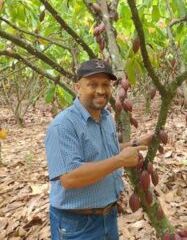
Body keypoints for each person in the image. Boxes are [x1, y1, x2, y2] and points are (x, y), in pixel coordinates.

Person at [44, 58, 152, 240]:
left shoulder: (106, 117)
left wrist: (135, 143)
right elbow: (70, 177)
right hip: (77, 224)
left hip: (108, 215)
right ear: (78, 87)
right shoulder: (63, 126)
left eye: (105, 84)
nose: (101, 91)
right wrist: (121, 160)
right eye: (92, 84)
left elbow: (106, 151)